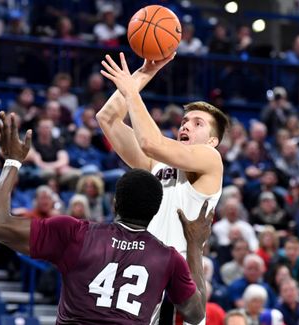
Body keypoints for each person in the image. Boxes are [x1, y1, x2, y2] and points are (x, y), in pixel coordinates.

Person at [0, 111, 213, 324]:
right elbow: (196, 314)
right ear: (155, 212)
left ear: (114, 203)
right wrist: (194, 245)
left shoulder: (76, 234)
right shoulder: (169, 258)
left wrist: (12, 161)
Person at [97, 51, 228, 325]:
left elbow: (151, 142)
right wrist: (146, 71)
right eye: (184, 121)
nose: (186, 125)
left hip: (178, 283)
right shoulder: (156, 163)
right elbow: (107, 119)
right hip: (139, 275)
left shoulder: (210, 158)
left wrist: (132, 92)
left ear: (213, 141)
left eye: (197, 123)